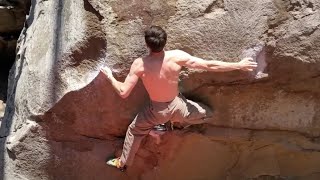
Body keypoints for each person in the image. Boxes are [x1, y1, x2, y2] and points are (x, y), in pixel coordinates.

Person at [101, 26, 257, 170]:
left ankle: (122, 163)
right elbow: (209, 65)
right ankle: (172, 124)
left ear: (147, 45)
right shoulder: (176, 56)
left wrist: (110, 77)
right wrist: (239, 65)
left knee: (134, 131)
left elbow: (123, 92)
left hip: (156, 112)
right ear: (165, 42)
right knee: (207, 113)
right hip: (179, 107)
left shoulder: (140, 65)